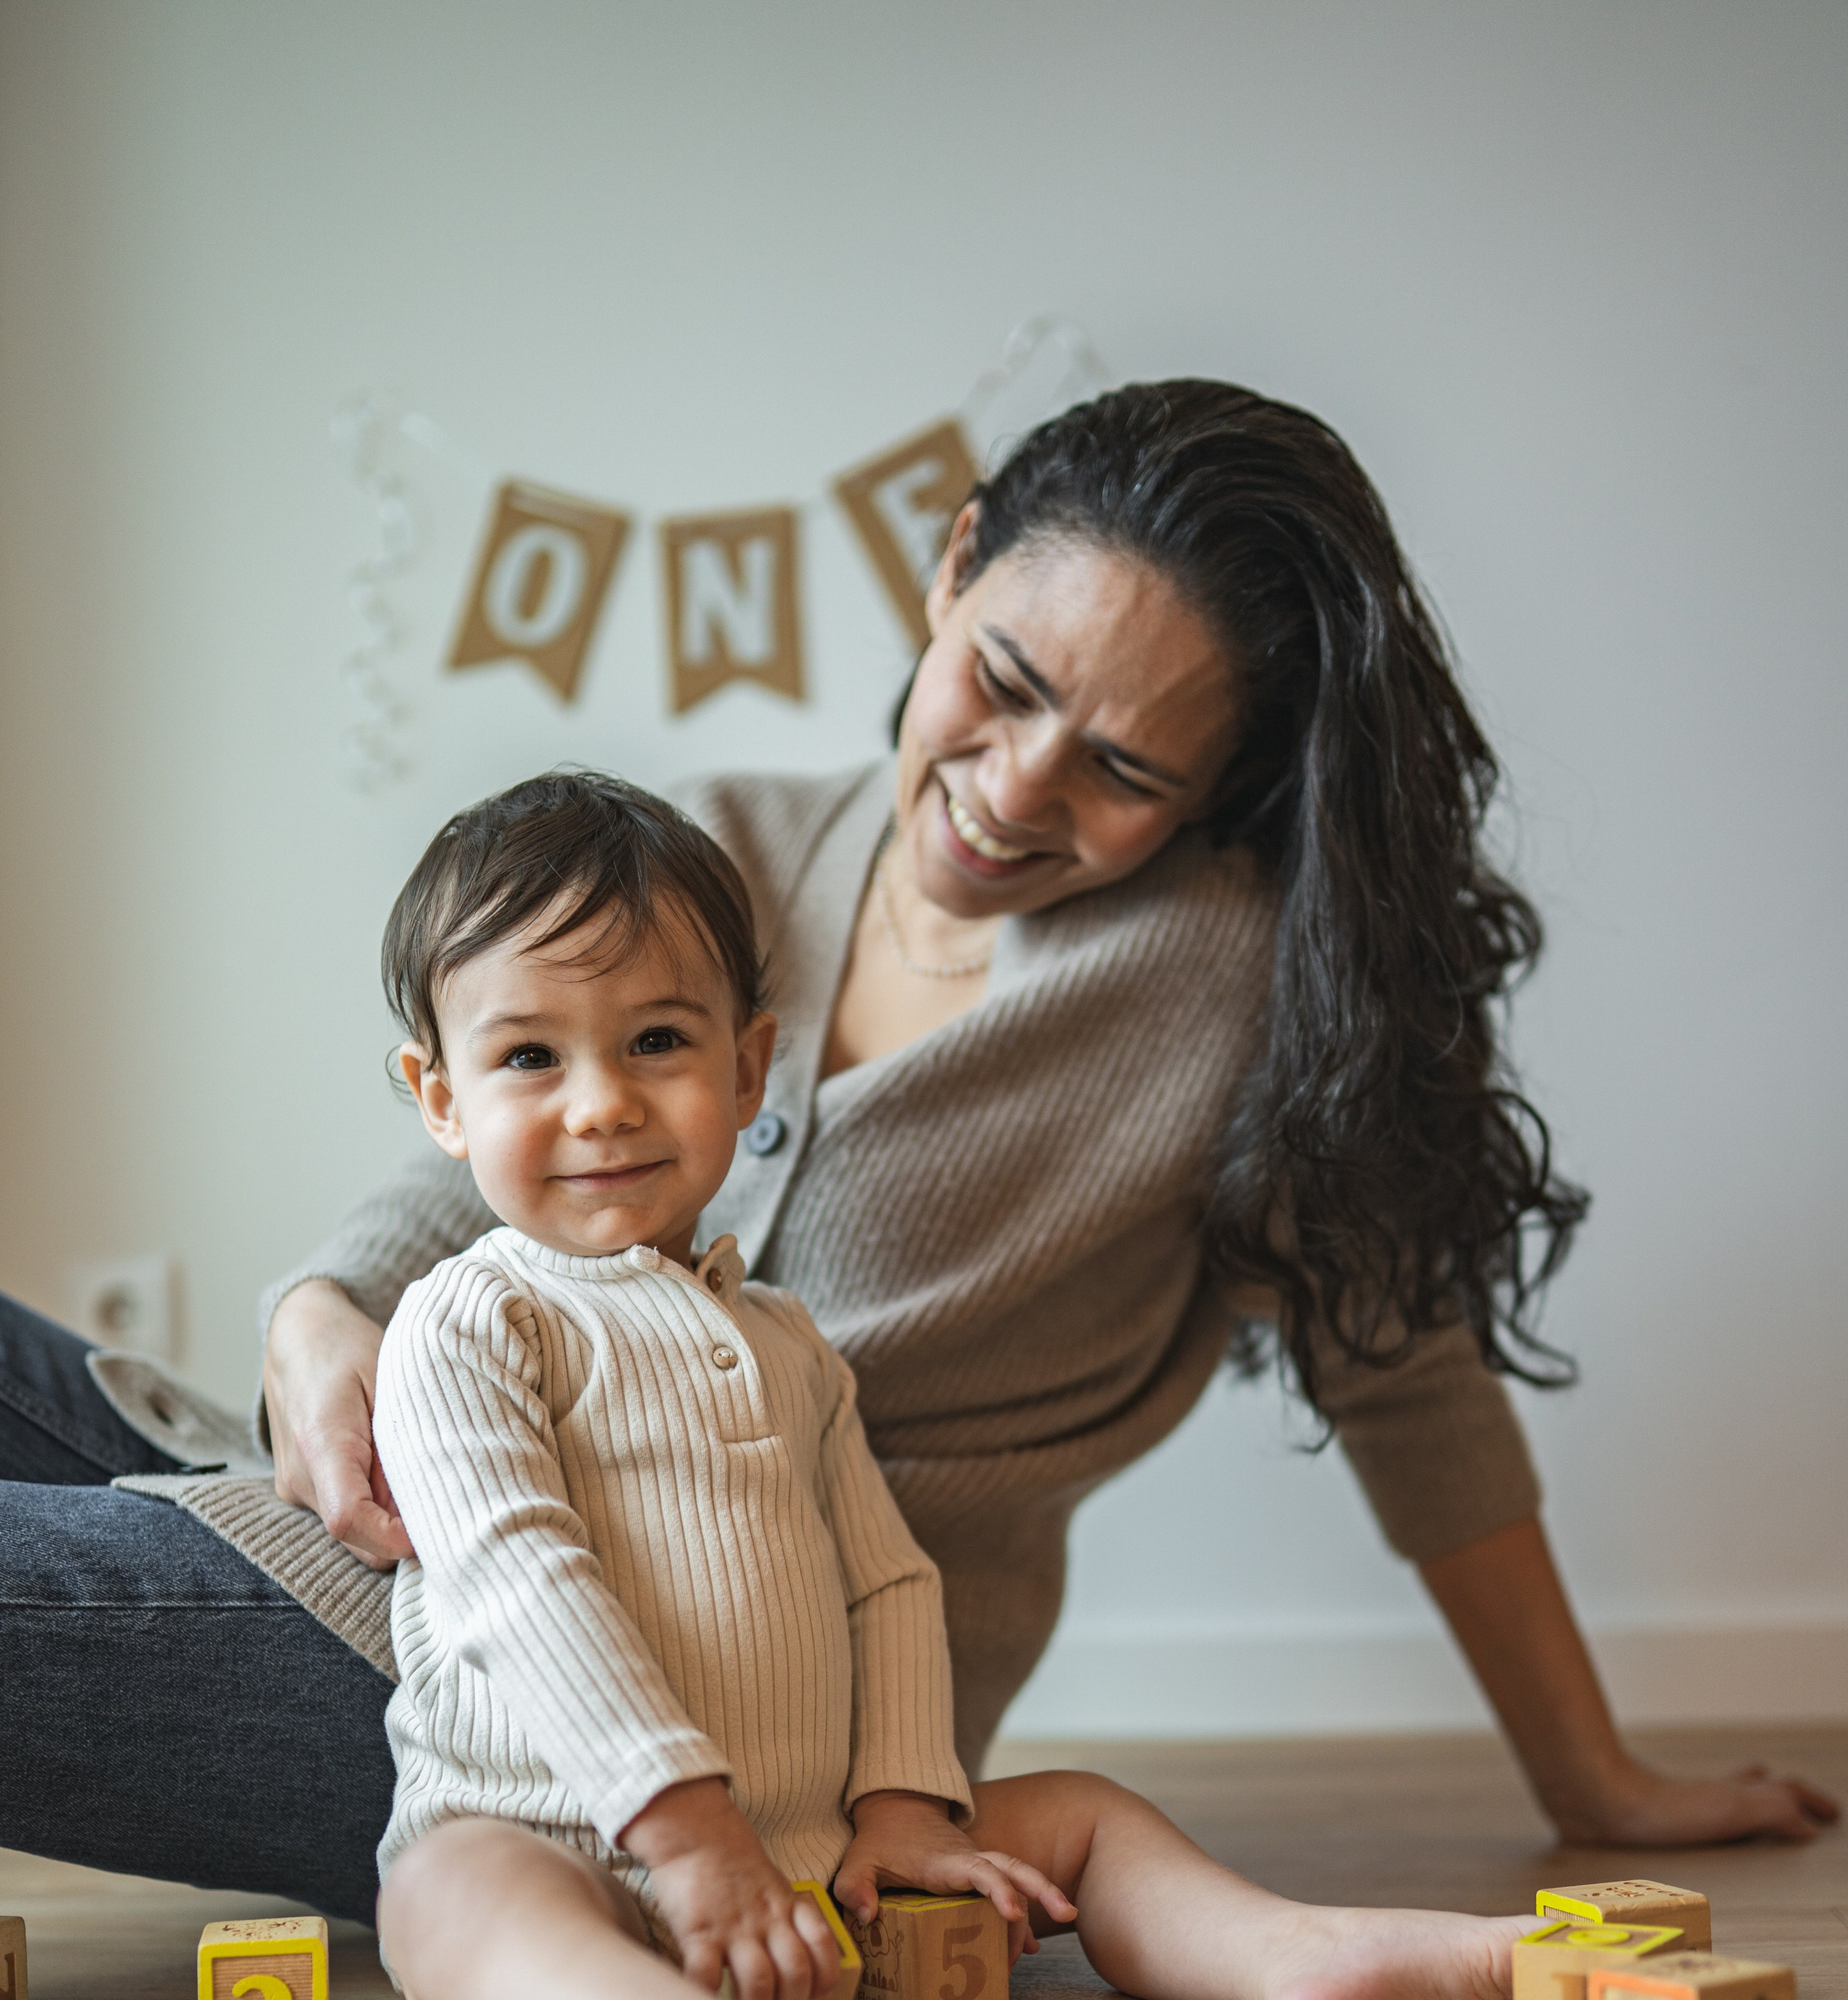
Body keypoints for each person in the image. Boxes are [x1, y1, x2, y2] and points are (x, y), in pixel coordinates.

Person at [0, 380, 1833, 1917]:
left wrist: (1591, 1774)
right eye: (1008, 679)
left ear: (1219, 798)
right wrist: (319, 1313)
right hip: (379, 1520)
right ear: (951, 568)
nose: (1016, 788)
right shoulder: (710, 850)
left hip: (599, 1719)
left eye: (1123, 772)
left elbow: (1407, 1379)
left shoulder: (1233, 997)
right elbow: (477, 1167)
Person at [366, 768, 1536, 2000]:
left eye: (656, 1041)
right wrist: (685, 1842)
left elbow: (888, 1585)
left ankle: (1294, 1954)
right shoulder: (464, 1325)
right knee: (448, 1901)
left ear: (747, 1069)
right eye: (529, 1057)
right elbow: (515, 1581)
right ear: (439, 1100)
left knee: (1084, 1815)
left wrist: (906, 1810)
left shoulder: (789, 1345)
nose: (601, 1103)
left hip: (813, 1858)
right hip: (569, 1842)